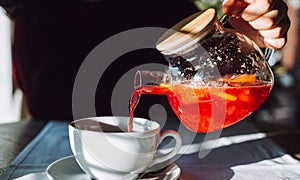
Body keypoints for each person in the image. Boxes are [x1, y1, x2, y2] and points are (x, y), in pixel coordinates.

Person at [0, 0, 290, 121]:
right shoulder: (35, 14)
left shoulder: (166, 9)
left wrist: (246, 40)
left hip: (180, 165)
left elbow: (214, 87)